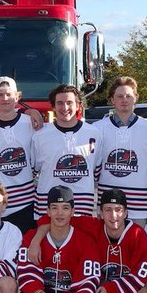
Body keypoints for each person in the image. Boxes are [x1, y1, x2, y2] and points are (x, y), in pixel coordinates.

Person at [15, 186, 100, 293]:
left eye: (65, 208)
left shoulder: (85, 240)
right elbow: (25, 272)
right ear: (47, 211)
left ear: (72, 211)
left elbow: (90, 277)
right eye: (54, 208)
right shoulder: (32, 238)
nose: (60, 213)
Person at [30, 83, 101, 217]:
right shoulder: (40, 136)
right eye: (60, 103)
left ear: (78, 105)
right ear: (53, 107)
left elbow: (97, 171)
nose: (65, 108)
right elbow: (32, 171)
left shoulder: (94, 134)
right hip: (48, 208)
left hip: (82, 207)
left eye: (69, 103)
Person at [94, 76, 147, 222]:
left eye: (128, 96)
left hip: (139, 206)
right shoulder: (97, 129)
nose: (124, 100)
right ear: (112, 100)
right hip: (108, 205)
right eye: (119, 96)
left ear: (136, 98)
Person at [0, 77, 37, 233]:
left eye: (9, 94)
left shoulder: (30, 122)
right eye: (0, 95)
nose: (5, 98)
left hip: (26, 201)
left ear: (17, 97)